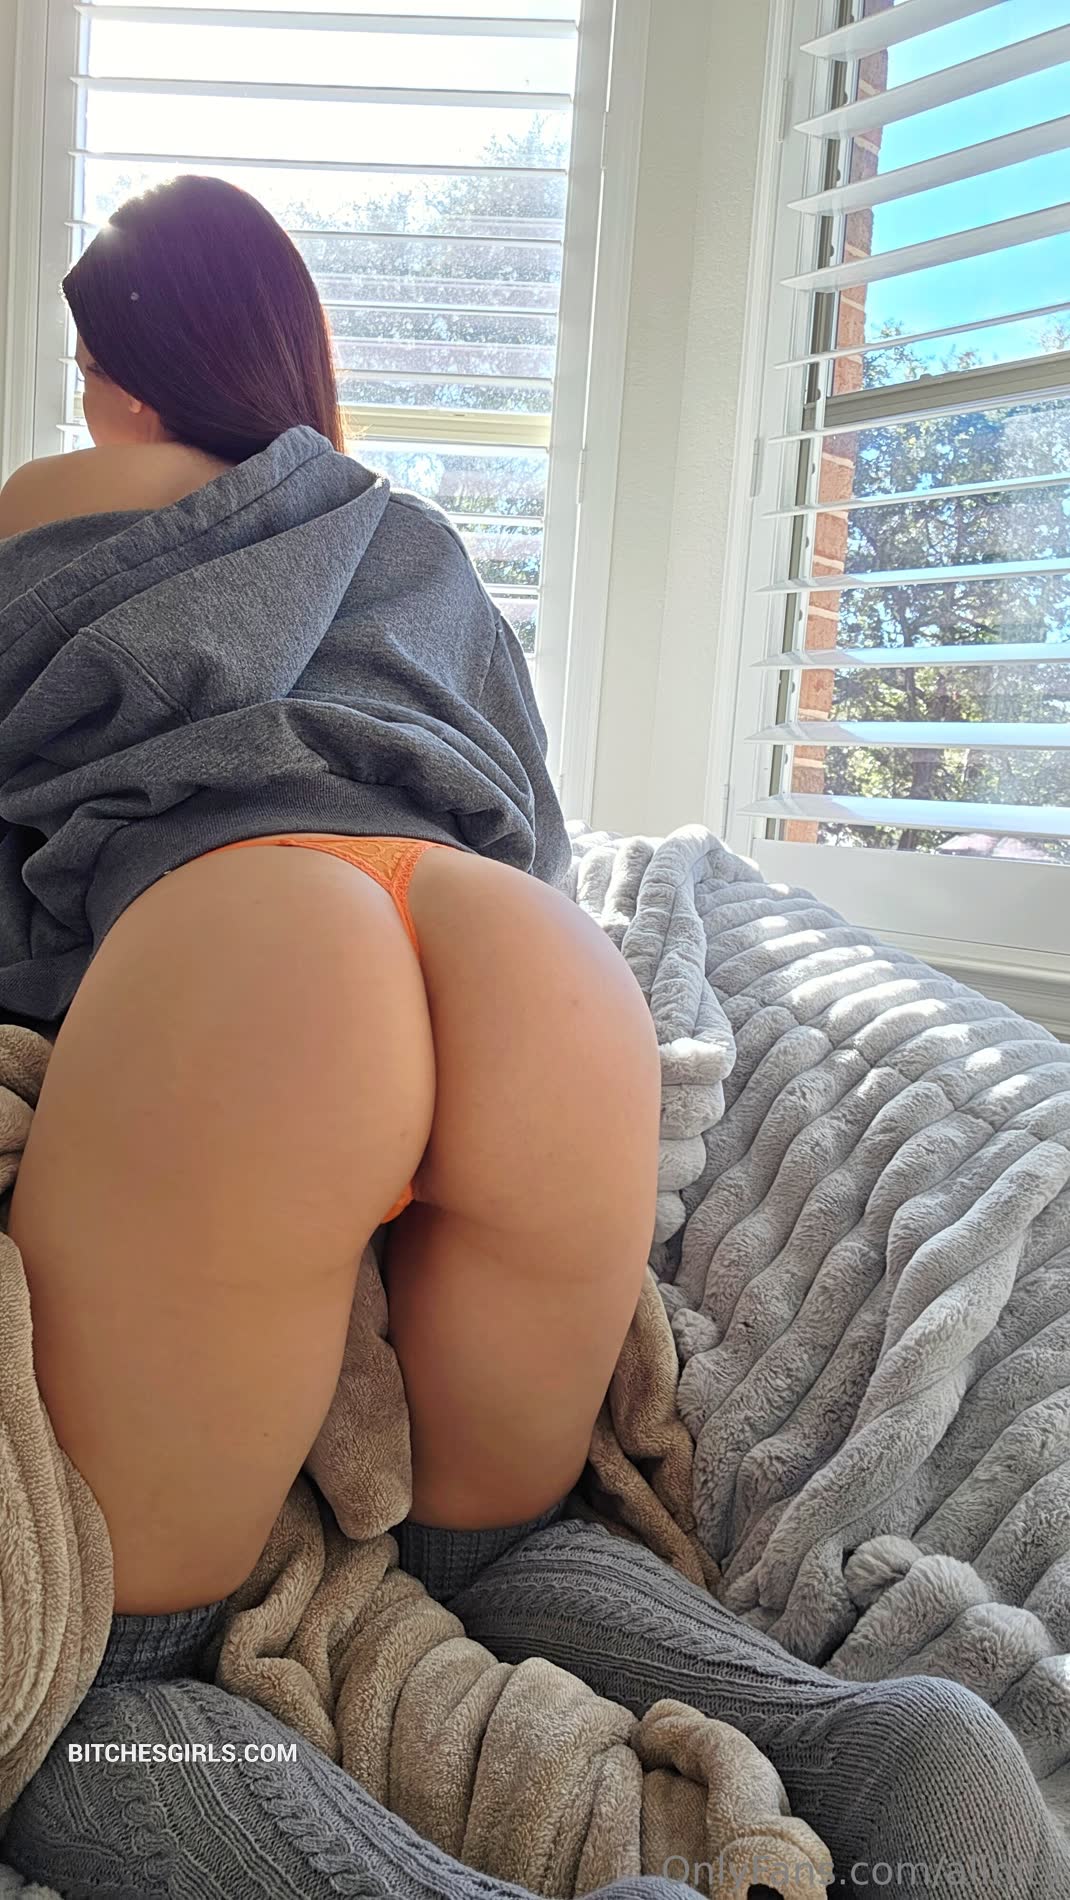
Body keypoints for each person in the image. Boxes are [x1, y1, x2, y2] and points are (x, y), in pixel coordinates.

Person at [0, 177, 1064, 1900]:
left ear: (117, 372)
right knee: (503, 1544)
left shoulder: (50, 501)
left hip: (253, 954)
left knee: (104, 1689)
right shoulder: (408, 540)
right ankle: (885, 1745)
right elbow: (530, 817)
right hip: (527, 967)